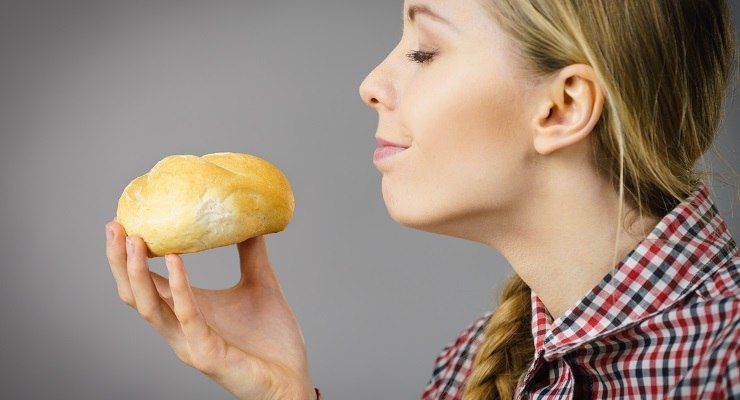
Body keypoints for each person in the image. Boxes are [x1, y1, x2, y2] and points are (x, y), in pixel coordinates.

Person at [105, 0, 739, 399]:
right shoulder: (475, 363)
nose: (370, 84)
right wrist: (282, 391)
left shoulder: (727, 362)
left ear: (563, 106)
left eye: (423, 50)